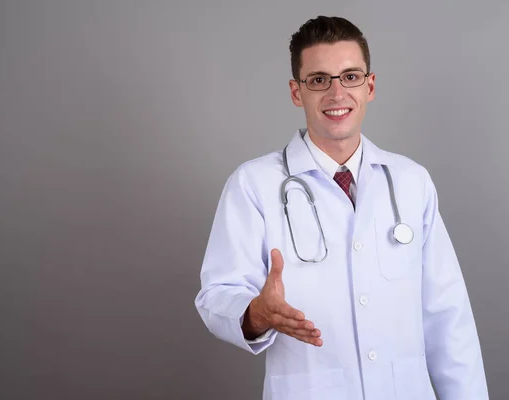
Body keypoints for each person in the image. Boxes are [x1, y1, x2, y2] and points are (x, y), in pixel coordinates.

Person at [194, 15, 488, 400]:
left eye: (350, 76)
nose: (337, 93)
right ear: (297, 92)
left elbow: (449, 319)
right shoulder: (254, 184)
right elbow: (216, 294)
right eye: (319, 80)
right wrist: (254, 313)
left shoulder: (411, 182)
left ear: (370, 86)